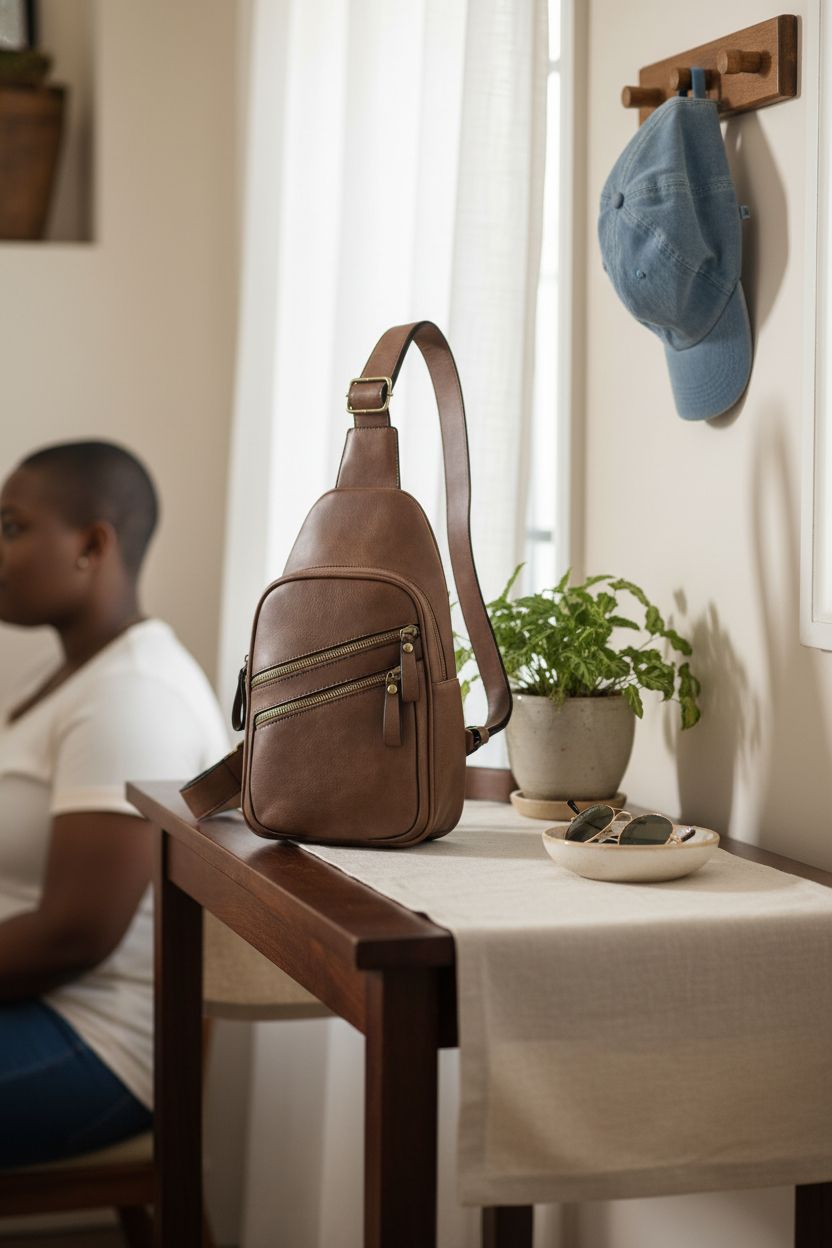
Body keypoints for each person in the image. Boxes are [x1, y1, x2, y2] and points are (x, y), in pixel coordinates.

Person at [0, 440, 229, 1169]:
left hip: (91, 1039)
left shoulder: (133, 695)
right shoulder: (70, 673)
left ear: (92, 546)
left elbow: (75, 934)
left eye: (11, 527)